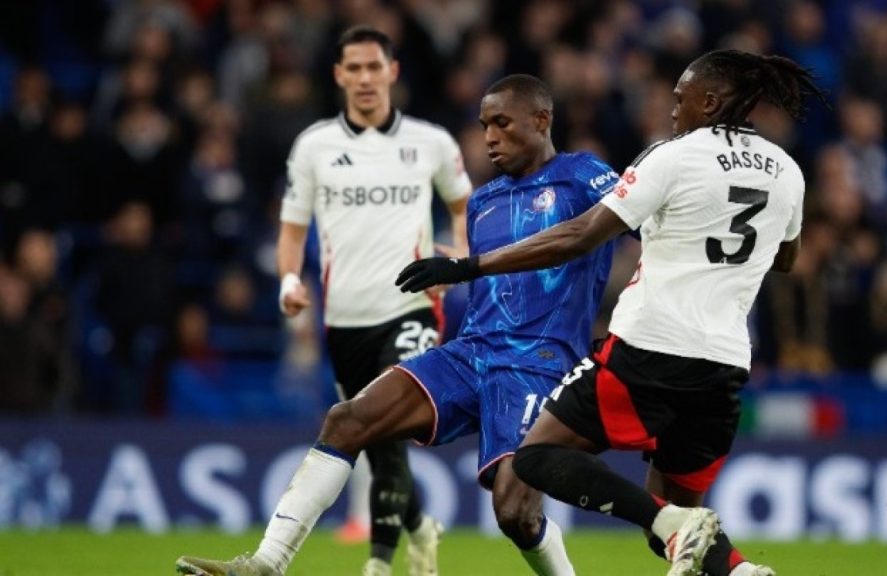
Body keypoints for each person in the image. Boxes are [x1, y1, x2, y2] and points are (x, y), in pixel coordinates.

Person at [396, 50, 828, 576]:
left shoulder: (672, 156)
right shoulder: (787, 171)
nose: (673, 109)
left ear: (712, 102)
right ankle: (739, 571)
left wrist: (470, 266)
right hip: (724, 365)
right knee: (673, 537)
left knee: (535, 459)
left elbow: (582, 234)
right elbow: (785, 258)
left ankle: (672, 523)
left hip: (648, 348)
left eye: (681, 99)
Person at [176, 73, 619, 576]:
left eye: (501, 123)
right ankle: (266, 563)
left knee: (515, 513)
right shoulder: (483, 201)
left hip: (538, 361)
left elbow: (632, 225)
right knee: (348, 419)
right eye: (483, 126)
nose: (489, 137)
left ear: (541, 120)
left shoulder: (584, 175)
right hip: (472, 351)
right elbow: (493, 289)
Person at [191, 25, 469, 576]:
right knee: (372, 436)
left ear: (392, 71)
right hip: (344, 321)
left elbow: (464, 207)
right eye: (354, 68)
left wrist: (457, 260)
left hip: (411, 308)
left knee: (385, 428)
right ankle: (419, 528)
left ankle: (370, 565)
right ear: (339, 75)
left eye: (374, 67)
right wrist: (287, 281)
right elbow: (292, 231)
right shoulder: (314, 146)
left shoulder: (431, 143)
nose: (365, 78)